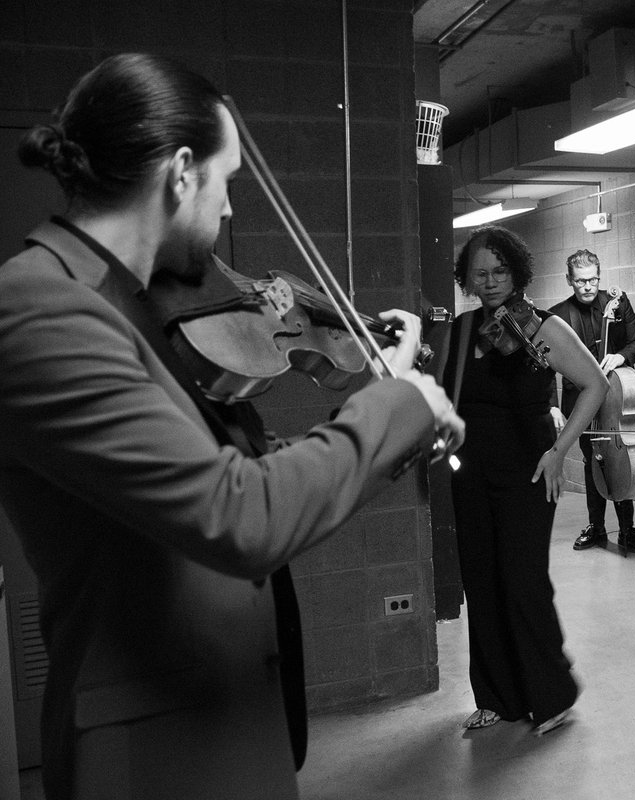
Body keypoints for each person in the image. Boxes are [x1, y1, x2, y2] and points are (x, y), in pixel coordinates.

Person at [0, 53, 464, 800]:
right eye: (227, 182)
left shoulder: (127, 299)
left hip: (226, 714)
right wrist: (399, 398)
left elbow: (221, 473)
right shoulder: (41, 309)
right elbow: (237, 512)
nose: (229, 209)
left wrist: (393, 443)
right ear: (182, 173)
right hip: (154, 751)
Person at [443, 226, 608, 735]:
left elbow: (595, 386)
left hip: (529, 472)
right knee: (482, 581)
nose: (489, 281)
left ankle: (553, 692)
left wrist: (560, 452)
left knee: (522, 581)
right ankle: (498, 696)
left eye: (498, 271)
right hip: (470, 472)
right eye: (479, 273)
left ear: (515, 273)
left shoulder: (544, 328)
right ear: (466, 279)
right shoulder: (462, 330)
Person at [548, 249, 635, 554]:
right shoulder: (558, 316)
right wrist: (552, 404)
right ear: (569, 280)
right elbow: (546, 364)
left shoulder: (617, 302)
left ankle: (629, 530)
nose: (589, 286)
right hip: (579, 400)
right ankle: (597, 527)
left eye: (593, 279)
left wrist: (621, 356)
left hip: (614, 398)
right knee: (594, 458)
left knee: (622, 460)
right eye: (581, 281)